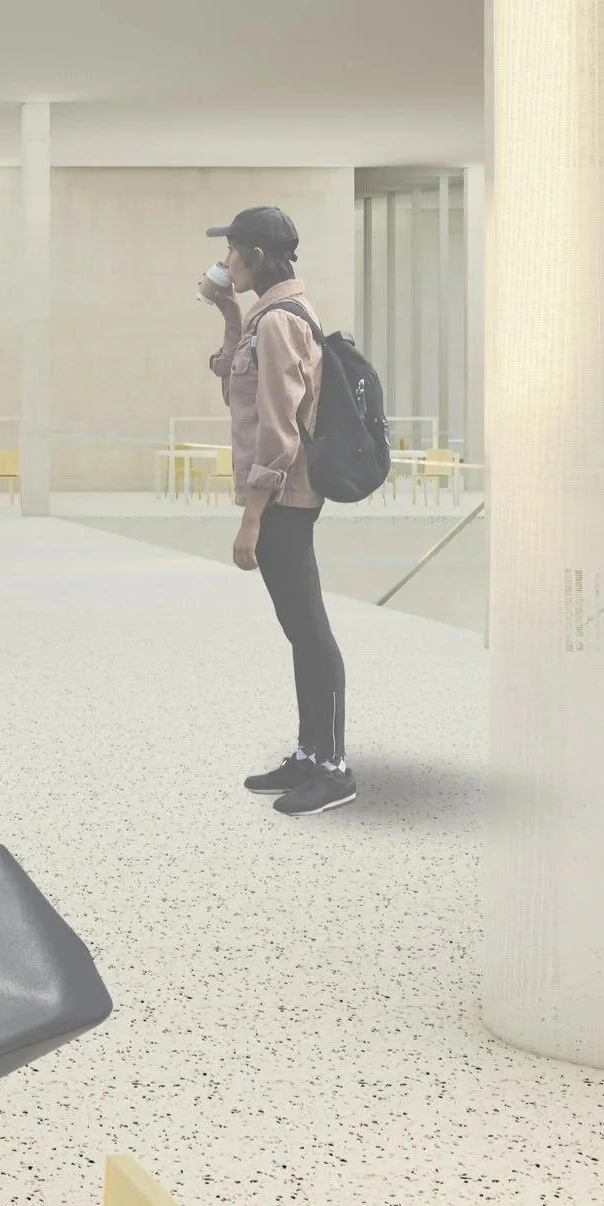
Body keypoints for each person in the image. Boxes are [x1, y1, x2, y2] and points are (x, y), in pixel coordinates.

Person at [203, 205, 353, 815]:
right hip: (281, 496)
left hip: (284, 497)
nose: (225, 261)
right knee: (298, 629)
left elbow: (277, 428)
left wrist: (252, 518)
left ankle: (333, 768)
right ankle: (309, 752)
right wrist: (228, 313)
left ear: (258, 257)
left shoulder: (280, 323)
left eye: (233, 250)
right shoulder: (264, 317)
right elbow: (235, 387)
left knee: (310, 631)